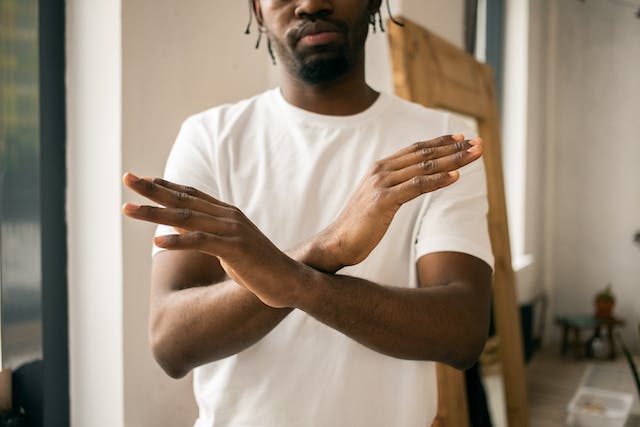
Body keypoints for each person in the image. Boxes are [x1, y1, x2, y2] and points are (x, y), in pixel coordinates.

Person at [122, 0, 494, 425]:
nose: (311, 3)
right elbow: (172, 343)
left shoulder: (438, 145)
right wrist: (324, 250)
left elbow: (462, 333)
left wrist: (297, 282)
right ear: (257, 10)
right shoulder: (209, 138)